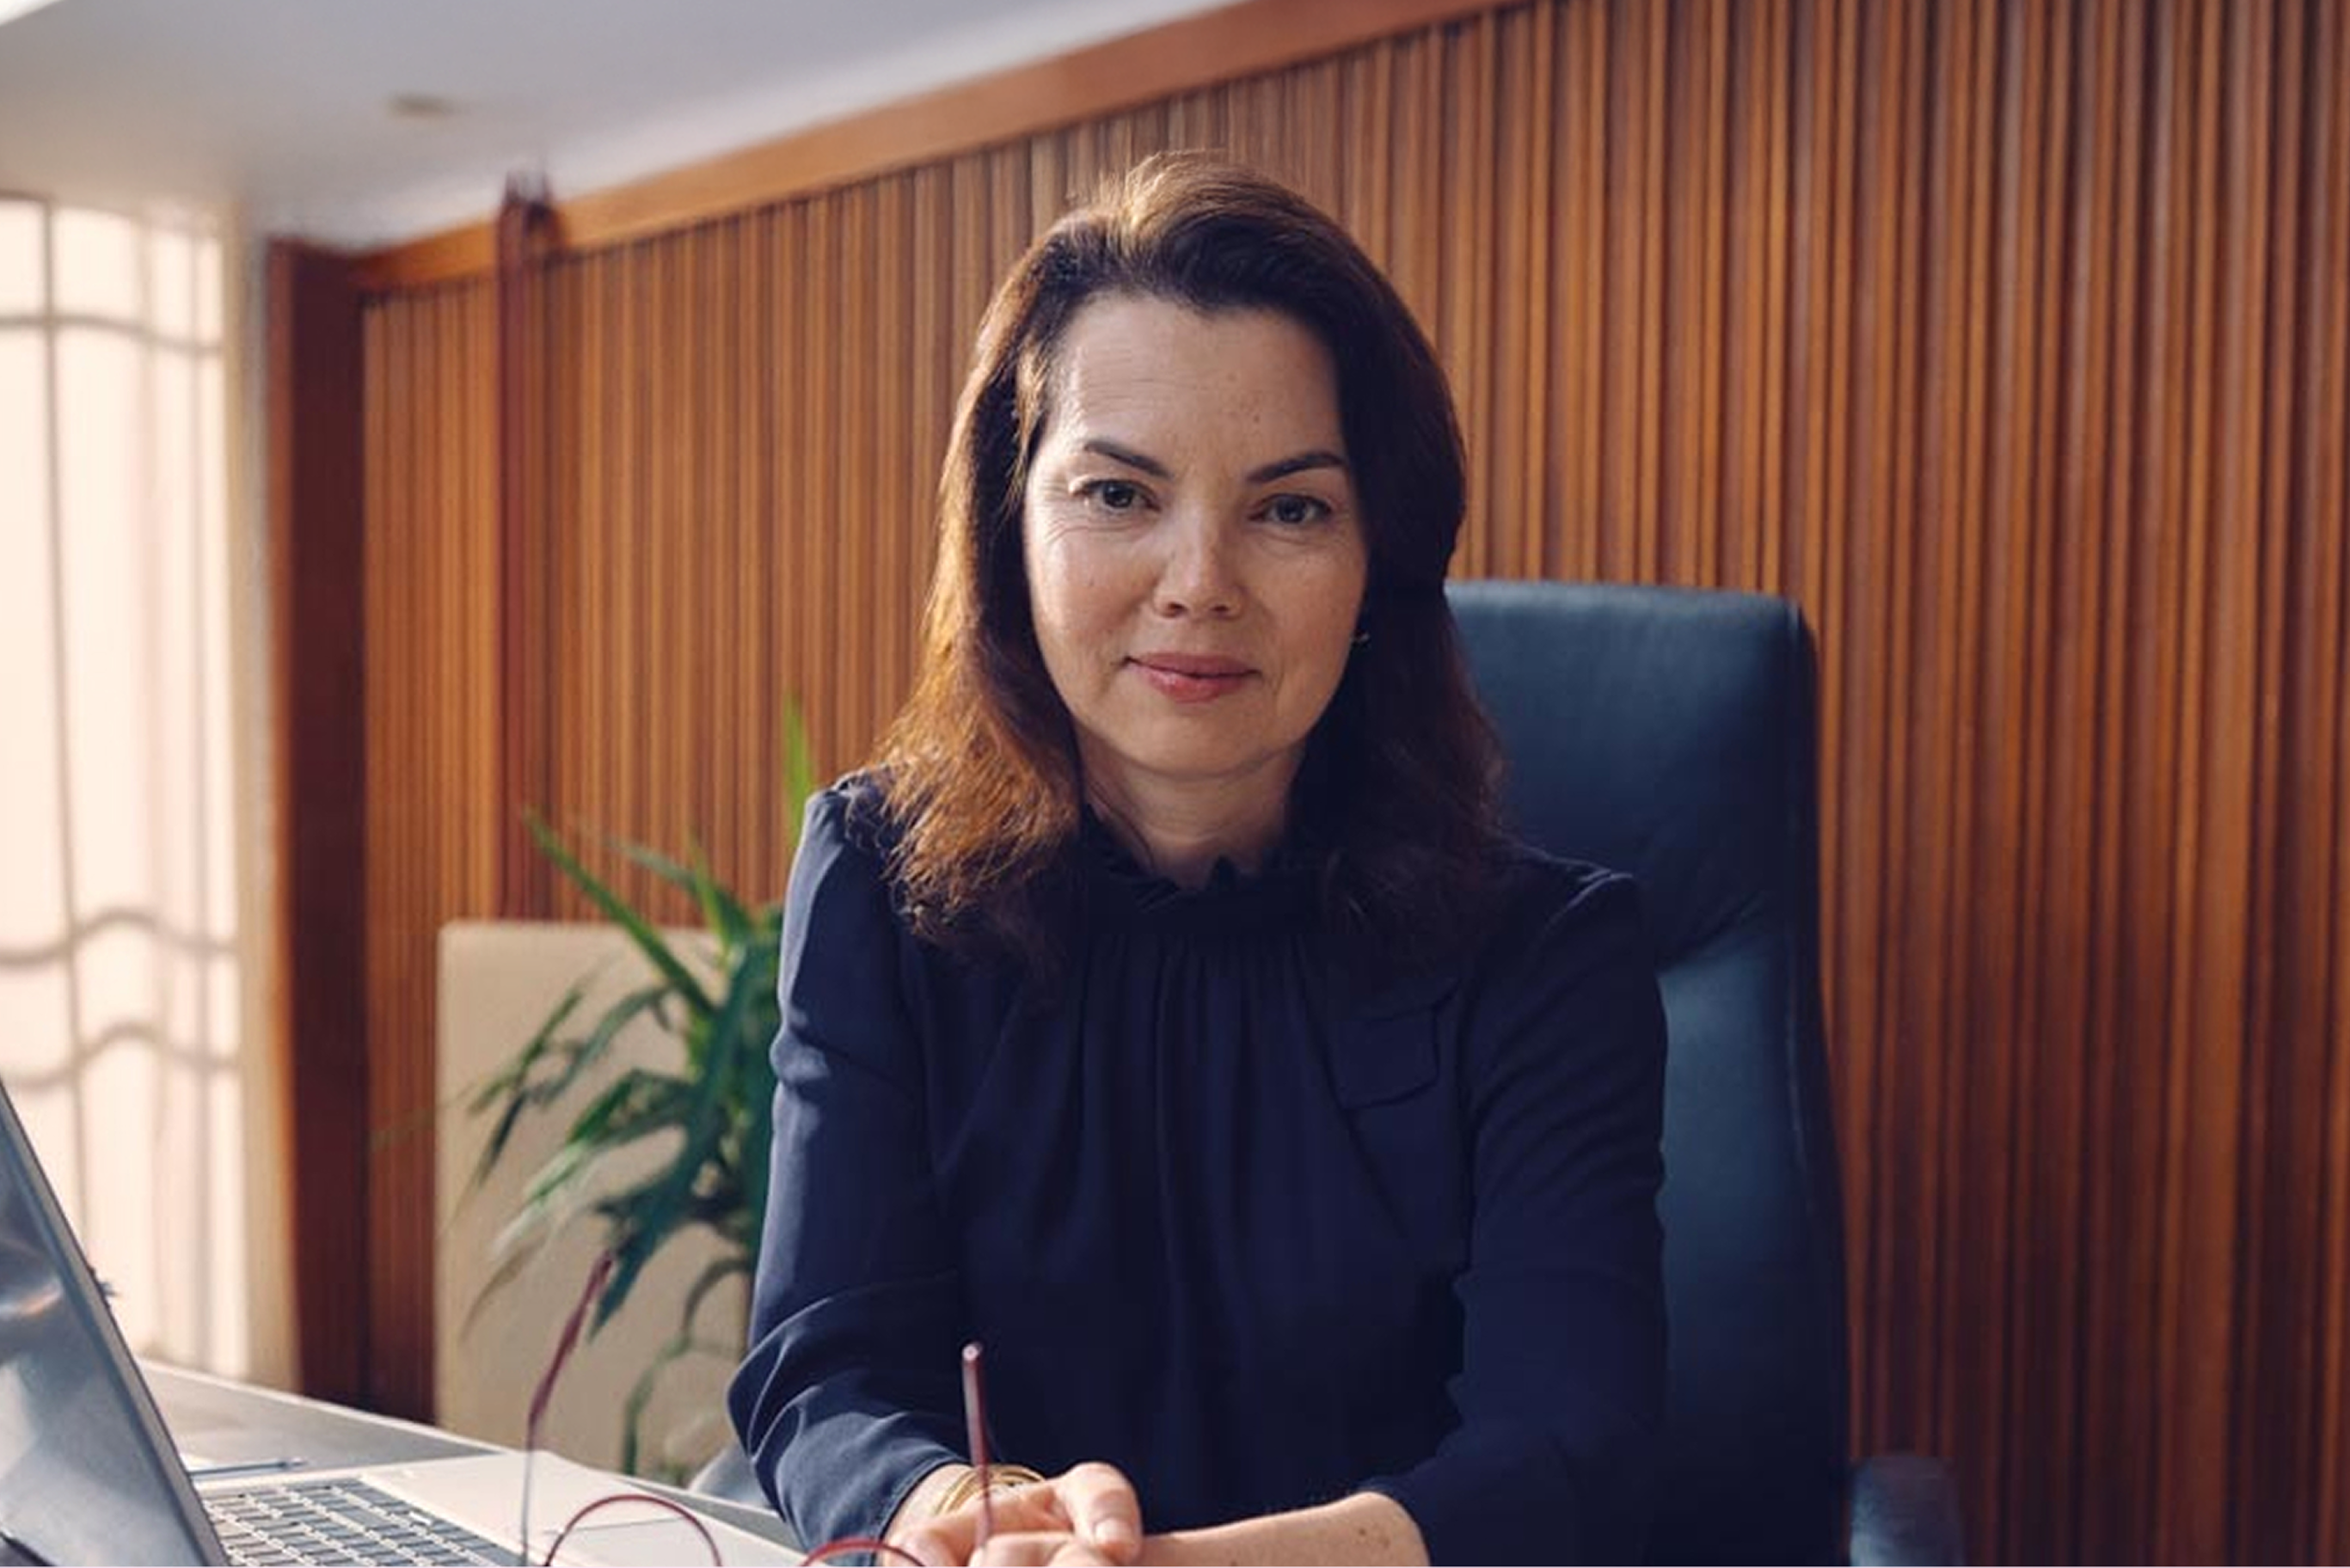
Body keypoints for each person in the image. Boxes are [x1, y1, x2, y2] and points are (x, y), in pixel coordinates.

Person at [727, 154, 1667, 1567]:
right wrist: (954, 1517)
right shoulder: (880, 883)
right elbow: (825, 1365)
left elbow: (1562, 1446)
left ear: (1377, 572)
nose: (1198, 580)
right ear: (1008, 535)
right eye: (1118, 495)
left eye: (1289, 508)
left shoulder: (1546, 959)